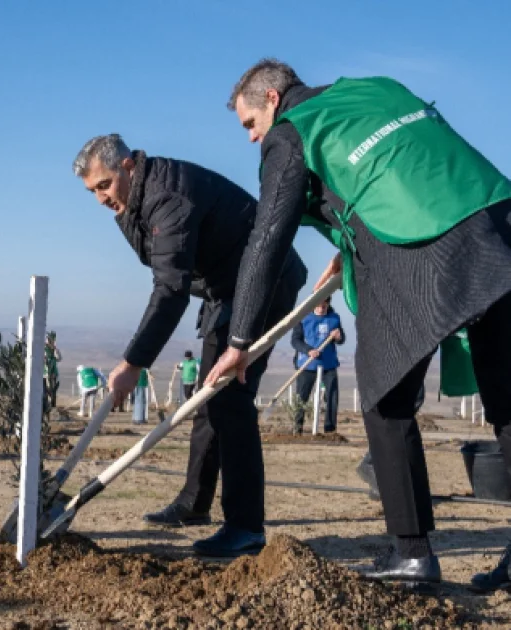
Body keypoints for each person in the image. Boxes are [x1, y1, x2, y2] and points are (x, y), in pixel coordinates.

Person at [215, 59, 511, 585]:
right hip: (498, 219)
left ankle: (413, 553)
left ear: (274, 100)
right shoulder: (372, 90)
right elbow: (393, 170)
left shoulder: (290, 132)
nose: (252, 138)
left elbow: (268, 238)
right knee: (508, 397)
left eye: (249, 123)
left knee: (383, 396)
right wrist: (347, 246)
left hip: (425, 250)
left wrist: (240, 339)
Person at [73, 134, 307, 554]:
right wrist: (123, 209)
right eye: (92, 192)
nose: (100, 199)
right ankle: (193, 502)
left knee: (230, 399)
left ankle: (246, 528)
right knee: (207, 396)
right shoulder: (136, 202)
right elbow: (165, 267)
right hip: (226, 287)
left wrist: (134, 362)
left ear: (128, 167)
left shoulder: (169, 197)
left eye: (104, 185)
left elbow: (169, 289)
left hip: (265, 283)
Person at [291, 296, 345, 433]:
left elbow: (341, 339)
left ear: (328, 304)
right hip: (307, 365)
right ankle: (297, 428)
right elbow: (295, 341)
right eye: (319, 305)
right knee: (301, 397)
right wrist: (308, 350)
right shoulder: (303, 318)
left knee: (332, 396)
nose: (321, 308)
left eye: (324, 306)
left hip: (328, 365)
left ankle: (330, 430)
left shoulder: (334, 318)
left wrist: (339, 337)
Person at [44, 331, 62, 409]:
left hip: (53, 372)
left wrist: (55, 351)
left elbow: (59, 358)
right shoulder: (44, 349)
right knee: (46, 389)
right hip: (45, 372)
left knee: (53, 389)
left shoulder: (55, 350)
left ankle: (52, 404)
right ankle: (46, 404)